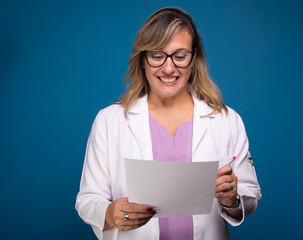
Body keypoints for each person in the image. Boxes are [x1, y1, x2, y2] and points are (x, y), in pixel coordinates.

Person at [75, 7, 261, 240]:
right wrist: (110, 213)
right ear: (142, 59)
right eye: (157, 55)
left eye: (180, 56)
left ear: (194, 59)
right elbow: (87, 200)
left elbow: (250, 194)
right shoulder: (109, 121)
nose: (168, 67)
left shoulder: (226, 120)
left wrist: (231, 199)